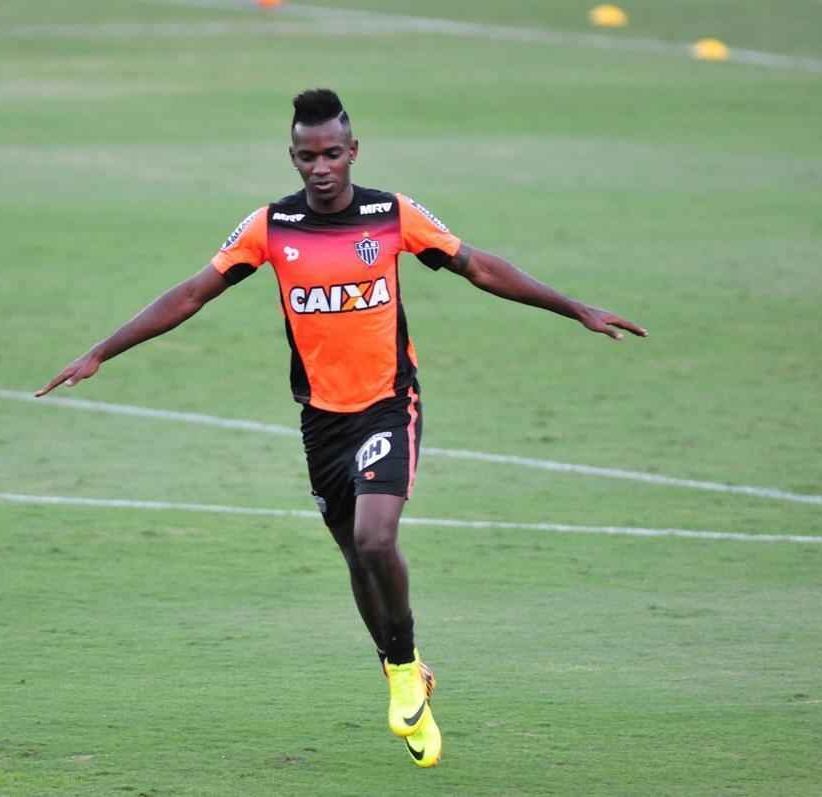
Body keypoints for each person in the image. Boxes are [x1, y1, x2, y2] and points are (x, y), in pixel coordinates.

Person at [35, 88, 646, 768]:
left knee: (375, 536)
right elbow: (190, 294)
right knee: (357, 560)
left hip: (388, 404)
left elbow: (478, 266)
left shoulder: (391, 215)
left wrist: (574, 307)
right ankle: (401, 674)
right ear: (292, 157)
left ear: (353, 151)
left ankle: (405, 667)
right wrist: (101, 351)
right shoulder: (272, 227)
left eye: (332, 154)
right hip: (321, 421)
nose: (320, 167)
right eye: (307, 157)